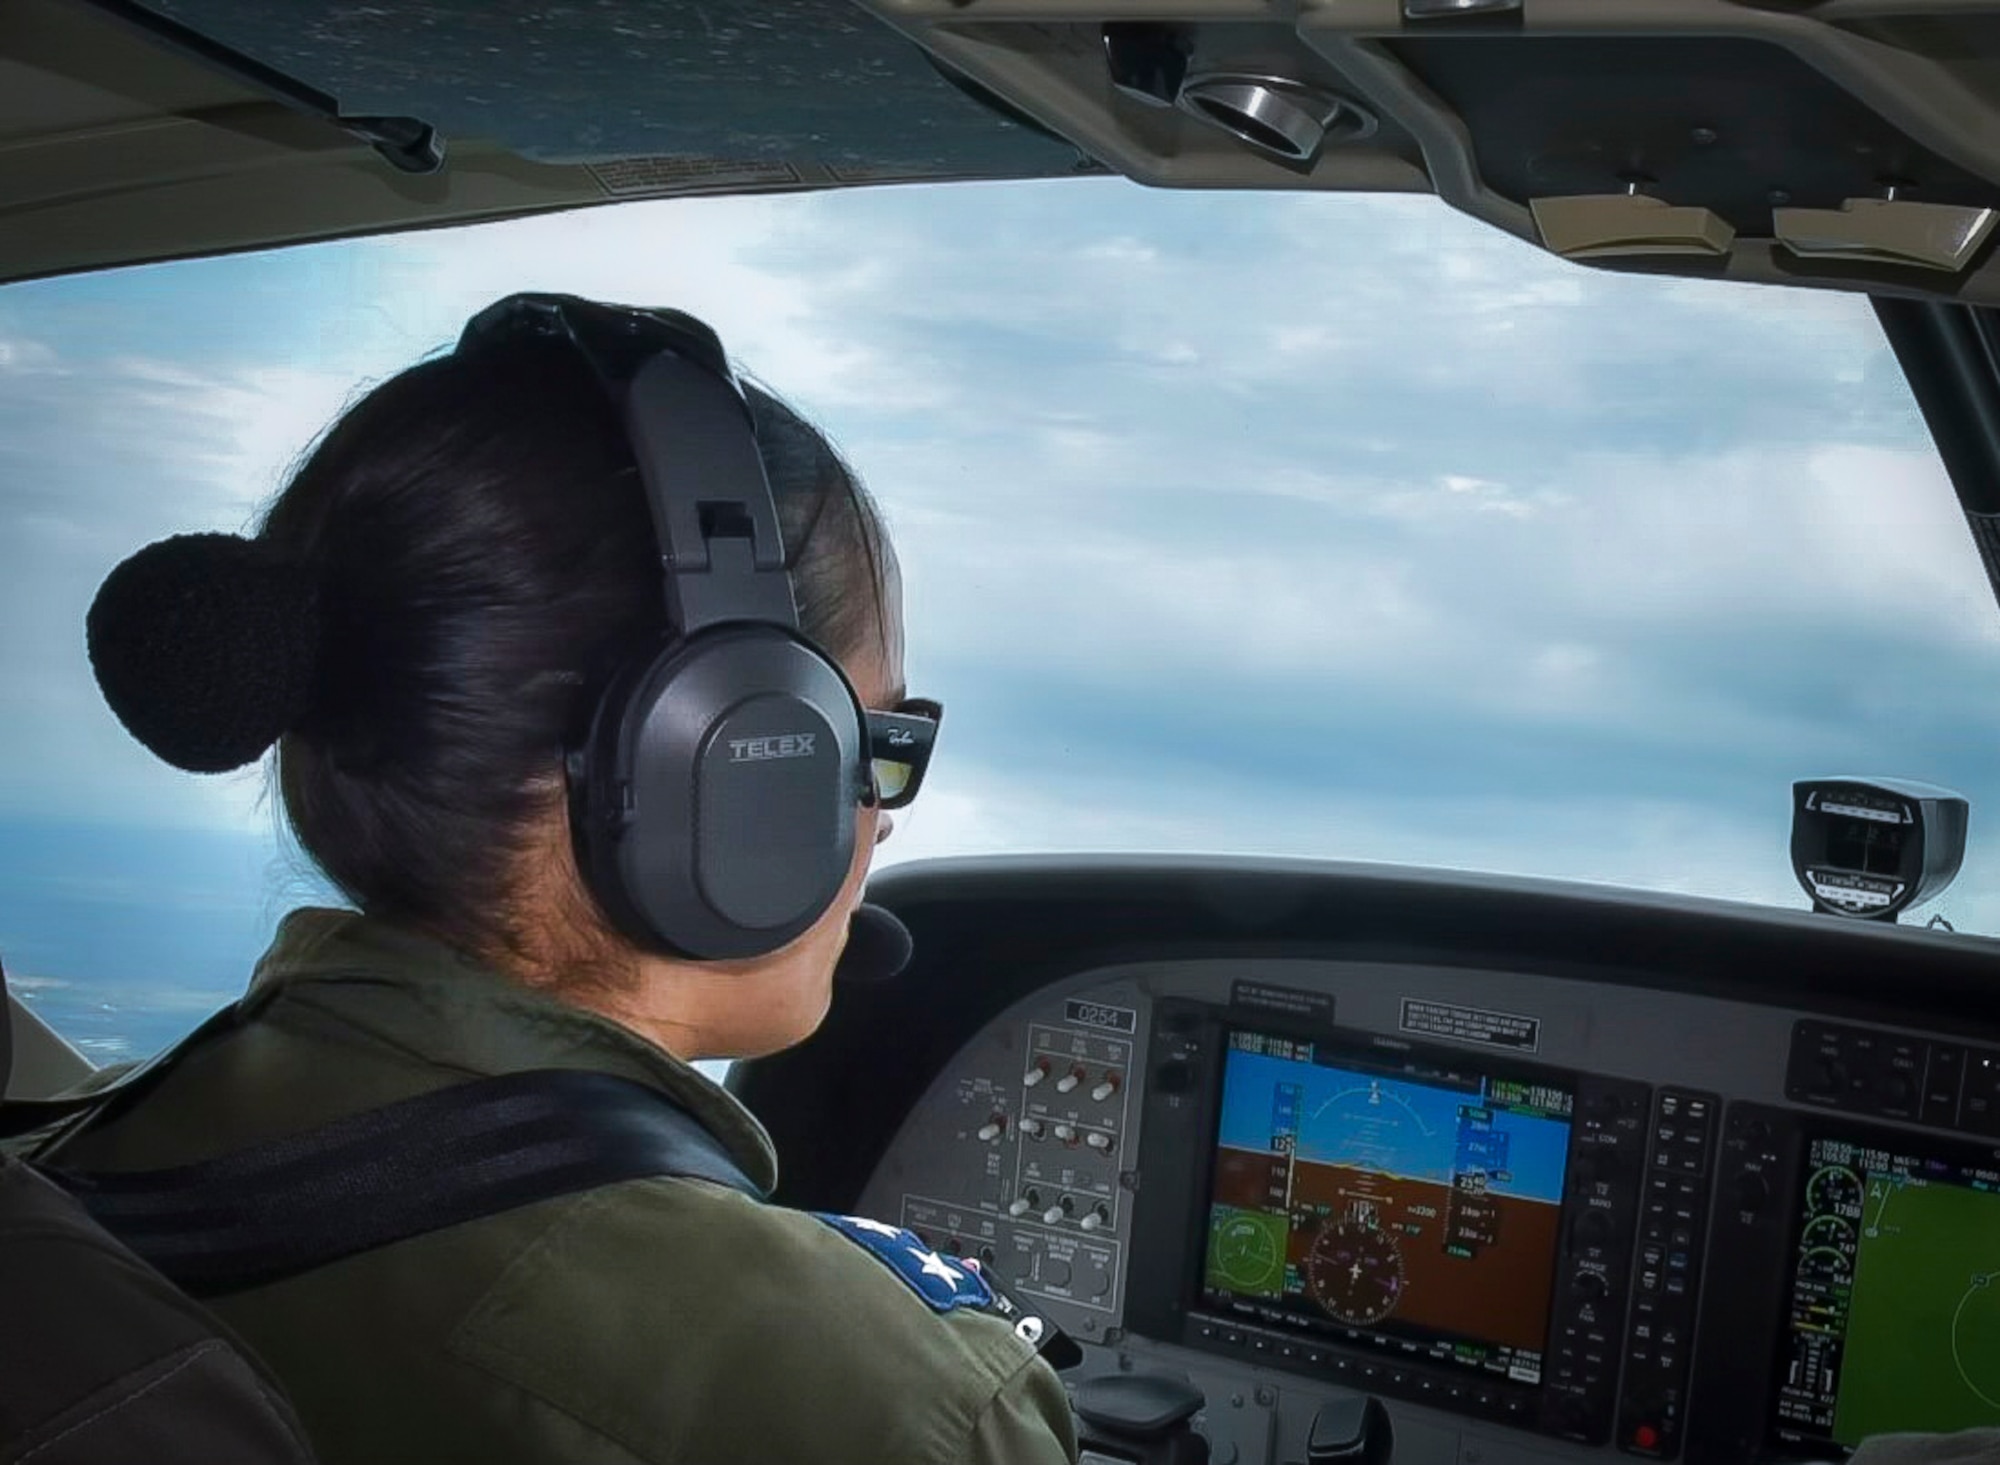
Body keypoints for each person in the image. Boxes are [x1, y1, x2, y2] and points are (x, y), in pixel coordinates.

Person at [51, 296, 1079, 1465]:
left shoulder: (70, 1166)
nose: (879, 828)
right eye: (872, 743)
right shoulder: (886, 1405)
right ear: (726, 757)